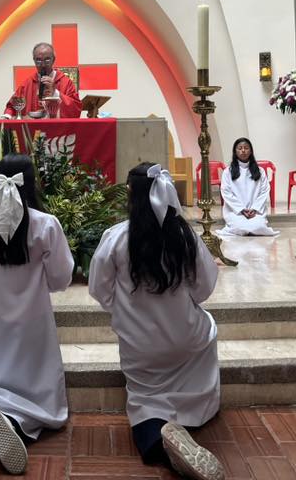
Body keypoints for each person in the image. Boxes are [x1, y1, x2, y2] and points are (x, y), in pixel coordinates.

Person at [89, 163, 225, 480]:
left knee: (143, 402)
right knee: (208, 328)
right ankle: (190, 415)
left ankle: (159, 437)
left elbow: (99, 289)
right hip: (186, 340)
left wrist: (124, 311)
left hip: (141, 348)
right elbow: (204, 288)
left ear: (130, 195)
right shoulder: (184, 235)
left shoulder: (116, 237)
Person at [0, 153, 74, 475]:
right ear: (31, 181)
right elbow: (62, 277)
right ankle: (13, 419)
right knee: (38, 395)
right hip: (31, 321)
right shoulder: (46, 225)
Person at [217, 137, 278, 237]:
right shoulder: (228, 171)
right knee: (239, 228)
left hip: (255, 211)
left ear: (251, 151)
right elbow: (226, 192)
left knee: (258, 227)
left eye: (246, 148)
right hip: (235, 211)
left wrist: (254, 208)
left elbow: (264, 191)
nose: (243, 151)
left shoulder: (260, 171)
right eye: (240, 148)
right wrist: (241, 209)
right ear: (235, 151)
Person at [2, 42, 82, 119]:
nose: (43, 65)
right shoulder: (27, 84)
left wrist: (55, 93)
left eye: (47, 60)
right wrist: (7, 117)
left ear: (53, 60)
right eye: (38, 60)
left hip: (59, 130)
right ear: (34, 60)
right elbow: (12, 106)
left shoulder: (65, 82)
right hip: (34, 131)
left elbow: (76, 110)